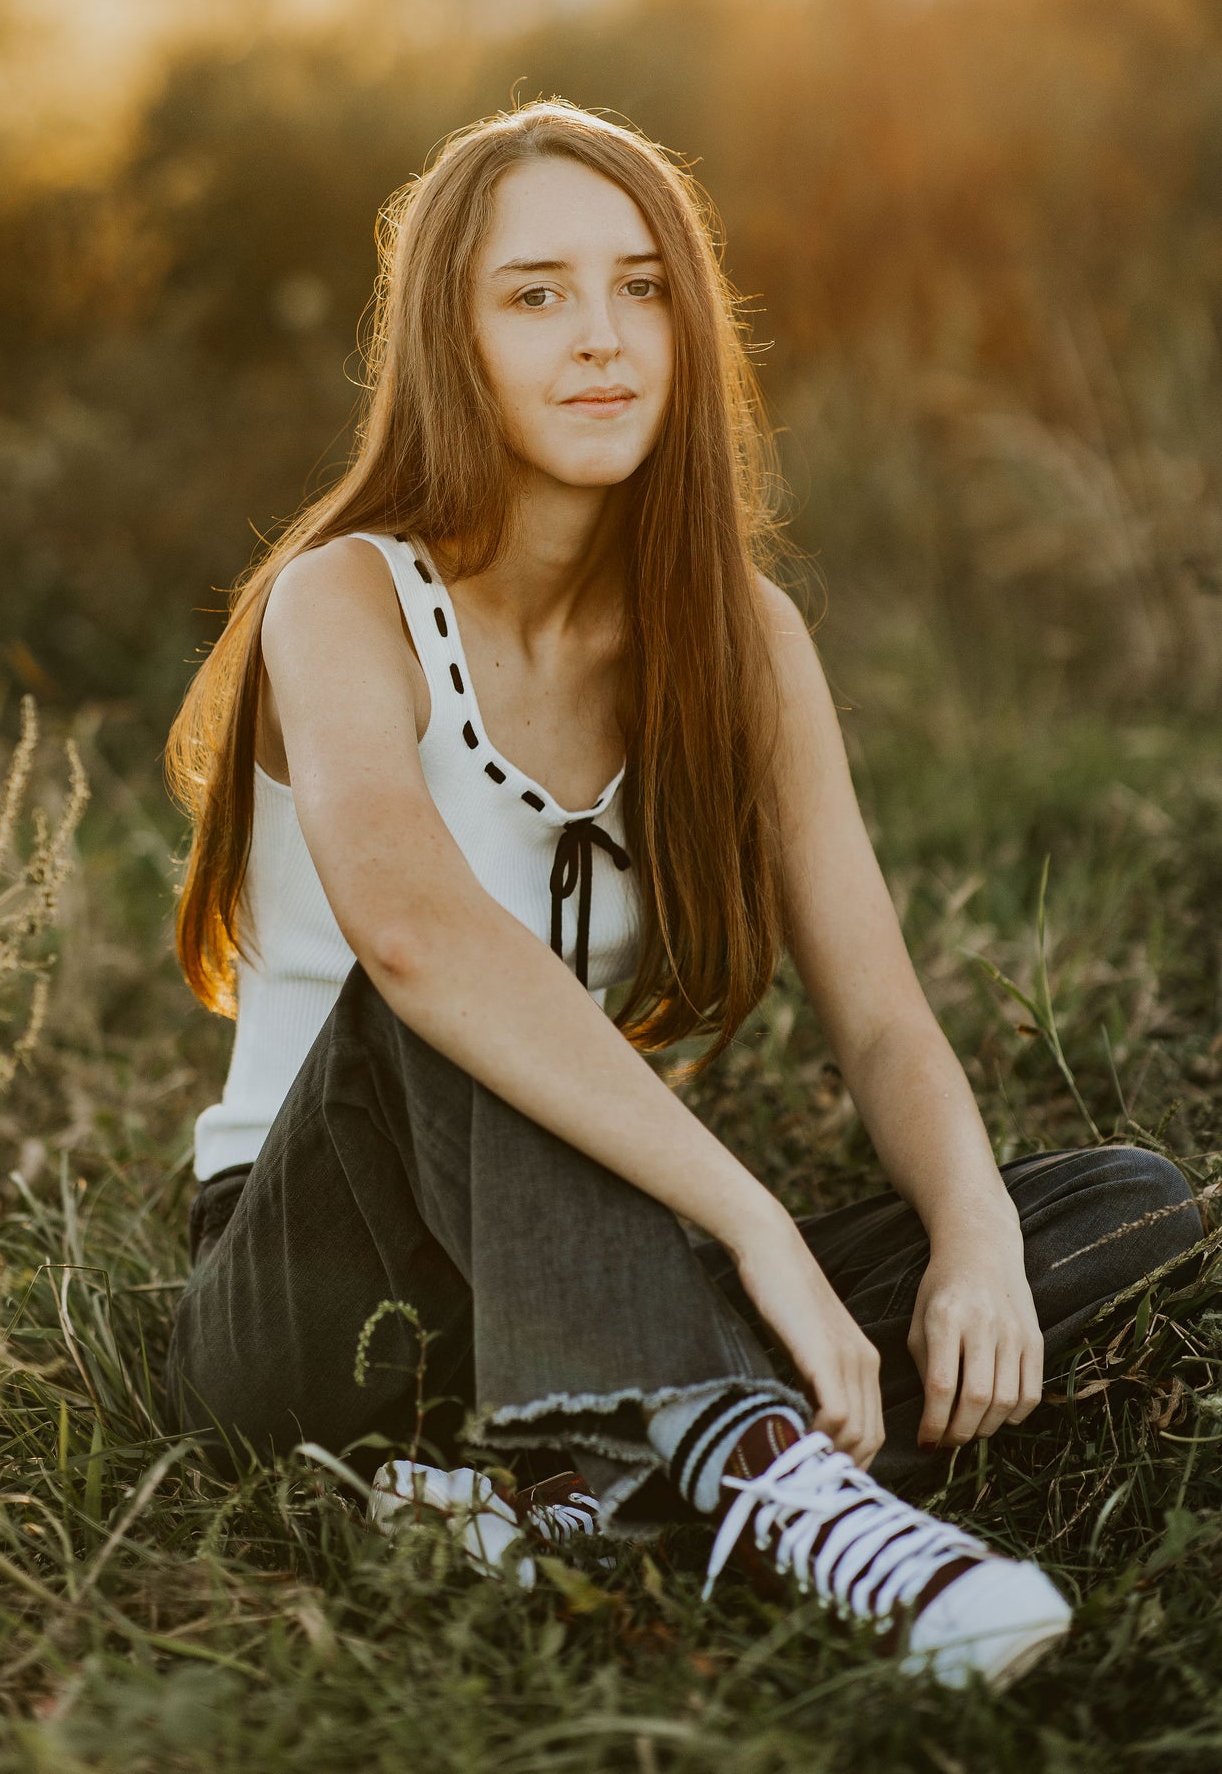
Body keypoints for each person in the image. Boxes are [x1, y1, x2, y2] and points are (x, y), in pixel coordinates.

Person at [163, 101, 1201, 1689]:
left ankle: (572, 1490)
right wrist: (752, 1221)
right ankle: (771, 1477)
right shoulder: (345, 595)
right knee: (453, 994)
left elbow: (879, 1011)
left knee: (1119, 1203)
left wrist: (976, 1234)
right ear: (455, 338)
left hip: (580, 1254)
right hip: (318, 1289)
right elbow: (418, 943)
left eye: (643, 288)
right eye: (536, 295)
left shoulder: (742, 638)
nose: (601, 340)